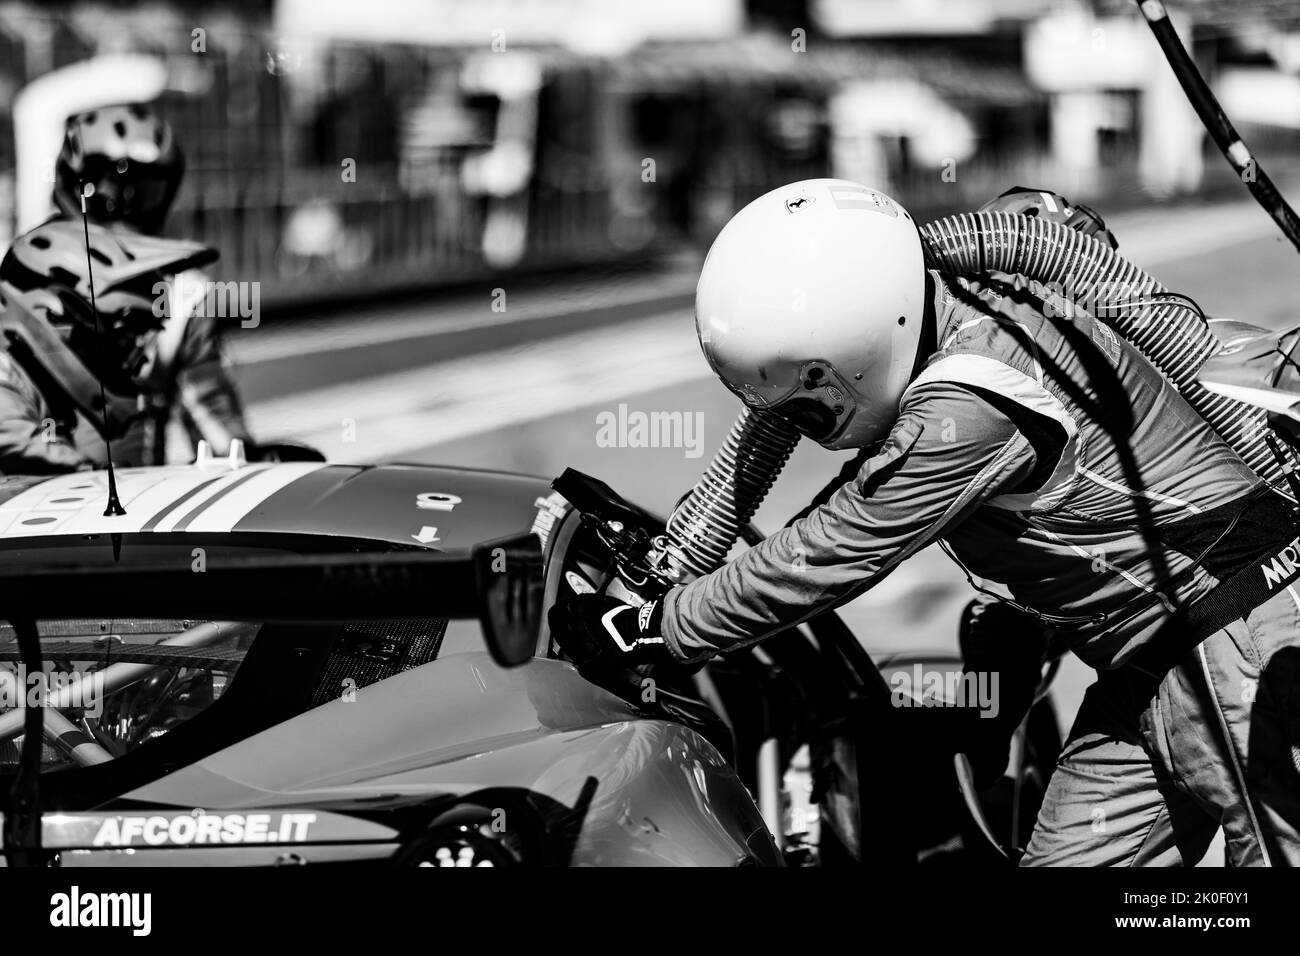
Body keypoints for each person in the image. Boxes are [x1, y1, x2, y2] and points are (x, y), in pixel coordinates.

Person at [553, 178, 1300, 866]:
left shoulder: (974, 399)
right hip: (1156, 662)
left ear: (854, 348)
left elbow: (836, 544)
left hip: (1236, 650)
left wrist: (657, 628)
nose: (800, 429)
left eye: (806, 408)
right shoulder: (965, 323)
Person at [0, 102, 251, 473]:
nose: (125, 206)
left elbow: (218, 429)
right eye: (109, 187)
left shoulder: (184, 294)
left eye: (144, 191)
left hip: (139, 512)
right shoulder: (28, 276)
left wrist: (250, 463)